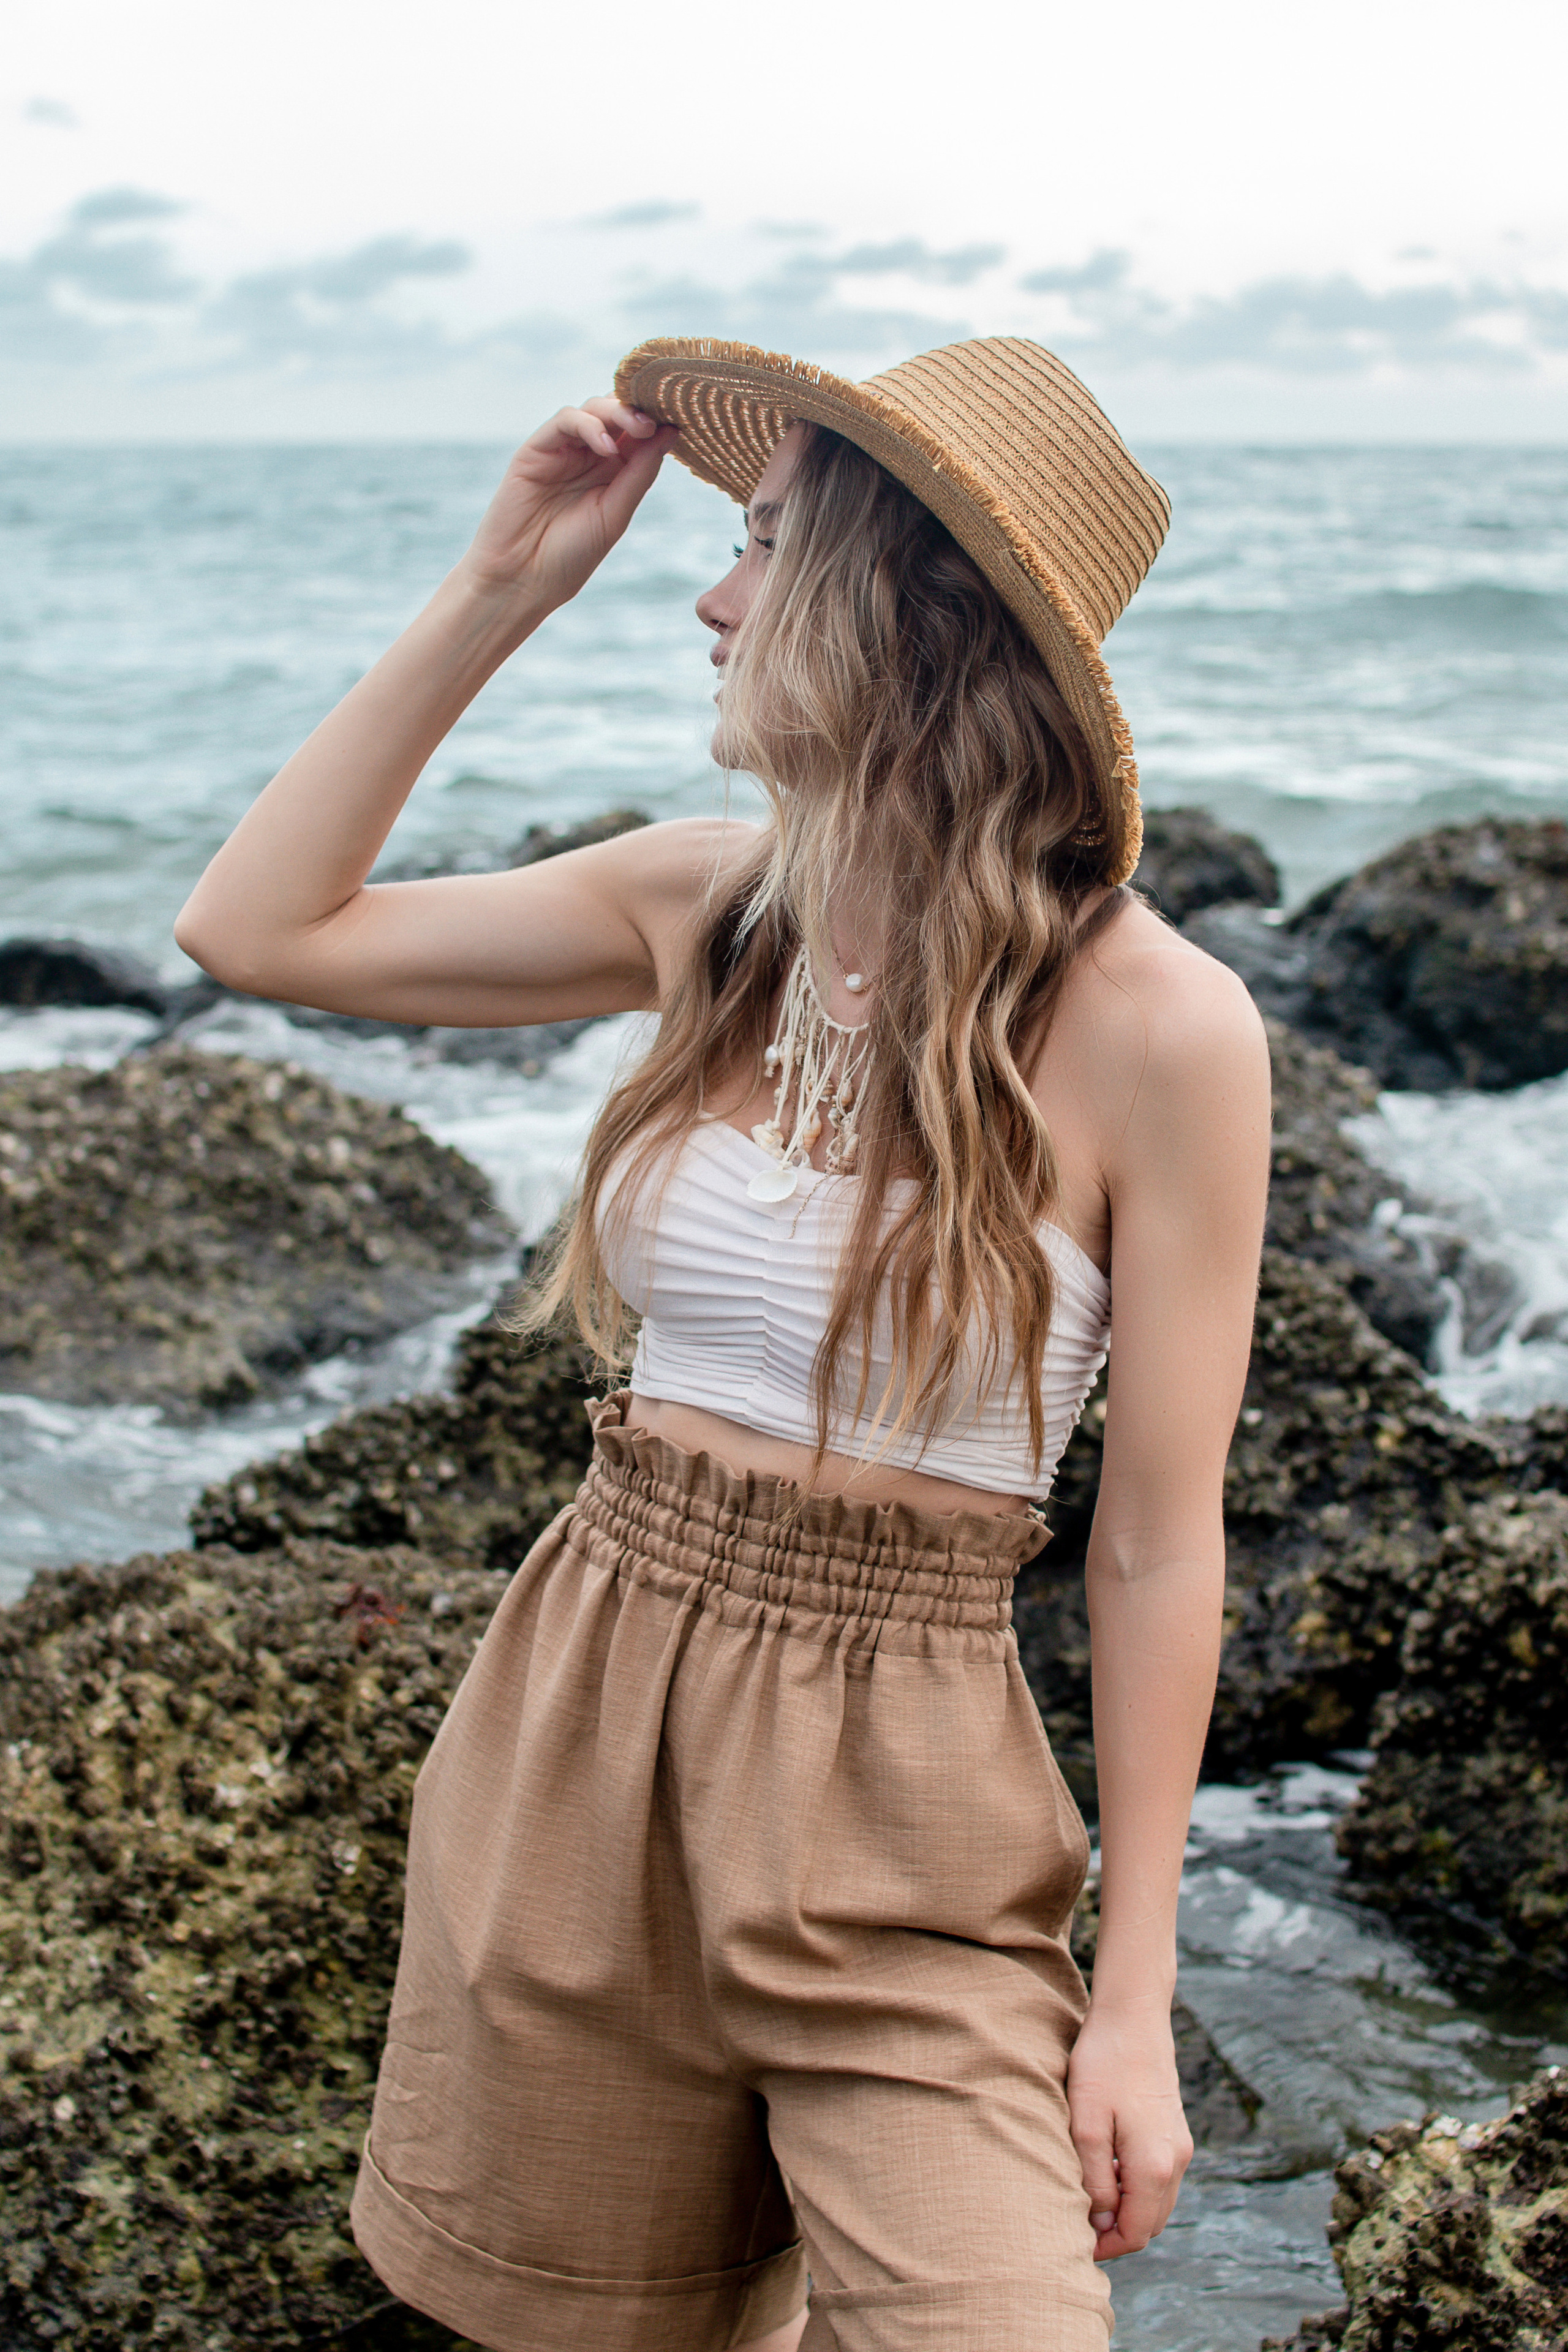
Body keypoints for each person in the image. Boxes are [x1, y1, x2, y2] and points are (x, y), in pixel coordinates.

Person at [175, 335, 1270, 2352]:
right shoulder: (708, 912)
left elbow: (1153, 1542)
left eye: (763, 547)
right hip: (585, 1716)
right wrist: (503, 585)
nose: (711, 593)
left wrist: (1133, 2012)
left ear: (904, 608)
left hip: (914, 1792)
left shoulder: (1166, 1027)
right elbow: (258, 932)